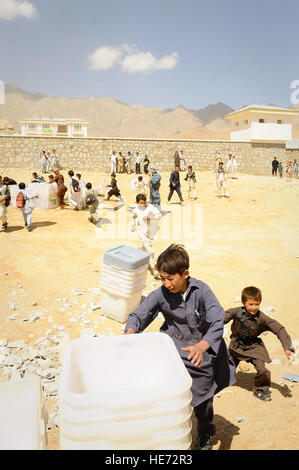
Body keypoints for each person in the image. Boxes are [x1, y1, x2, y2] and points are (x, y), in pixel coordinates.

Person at [124, 244, 236, 450]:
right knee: (170, 397)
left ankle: (205, 434)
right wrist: (130, 332)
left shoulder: (202, 291)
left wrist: (202, 346)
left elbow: (218, 320)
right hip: (173, 354)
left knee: (203, 402)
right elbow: (140, 314)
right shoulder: (161, 294)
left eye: (170, 278)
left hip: (202, 358)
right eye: (162, 278)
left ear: (185, 274)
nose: (166, 283)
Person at [224, 286, 294, 402]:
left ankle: (260, 389)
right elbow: (218, 319)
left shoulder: (262, 318)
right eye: (250, 304)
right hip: (236, 345)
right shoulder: (235, 312)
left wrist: (287, 347)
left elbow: (279, 329)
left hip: (253, 346)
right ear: (243, 302)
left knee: (262, 370)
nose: (254, 307)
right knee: (226, 369)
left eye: (257, 304)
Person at [130, 194, 161, 279]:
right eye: (140, 203)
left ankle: (140, 251)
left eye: (144, 203)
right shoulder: (136, 210)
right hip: (141, 232)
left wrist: (151, 218)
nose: (142, 205)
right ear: (137, 203)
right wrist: (133, 225)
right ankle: (154, 270)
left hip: (151, 231)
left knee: (146, 248)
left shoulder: (150, 207)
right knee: (150, 250)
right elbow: (132, 217)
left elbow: (159, 215)